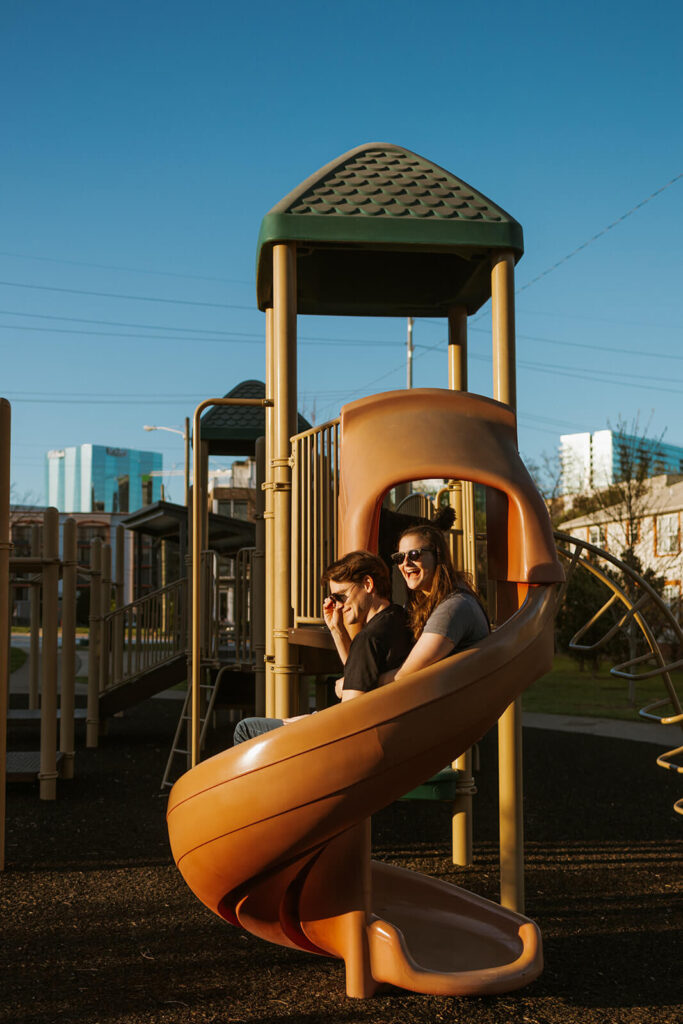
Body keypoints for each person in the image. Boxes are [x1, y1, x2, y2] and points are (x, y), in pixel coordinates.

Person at [232, 550, 413, 744]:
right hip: (394, 730)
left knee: (245, 729)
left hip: (346, 740)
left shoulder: (368, 638)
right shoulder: (398, 619)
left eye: (341, 596)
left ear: (368, 585)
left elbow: (349, 718)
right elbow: (361, 672)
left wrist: (315, 717)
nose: (340, 606)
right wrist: (337, 630)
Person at [383, 522, 490, 683]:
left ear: (437, 556)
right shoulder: (421, 602)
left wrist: (362, 683)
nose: (405, 563)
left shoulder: (454, 607)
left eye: (414, 555)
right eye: (399, 557)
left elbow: (405, 676)